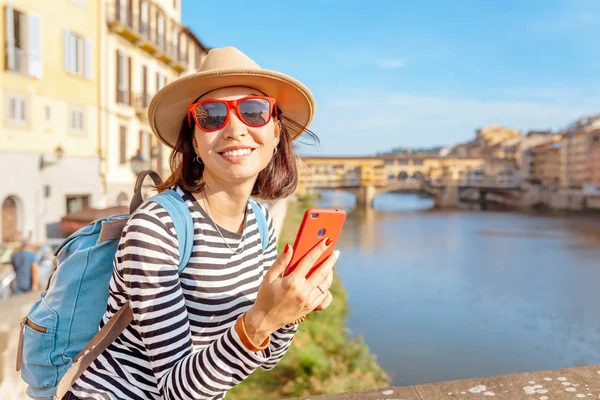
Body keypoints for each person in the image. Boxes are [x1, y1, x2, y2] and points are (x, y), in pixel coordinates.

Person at [66, 46, 339, 400]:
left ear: (275, 134)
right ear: (194, 140)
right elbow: (177, 390)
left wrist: (290, 310)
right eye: (211, 116)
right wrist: (265, 319)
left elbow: (268, 357)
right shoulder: (157, 226)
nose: (235, 129)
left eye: (254, 112)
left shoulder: (260, 222)